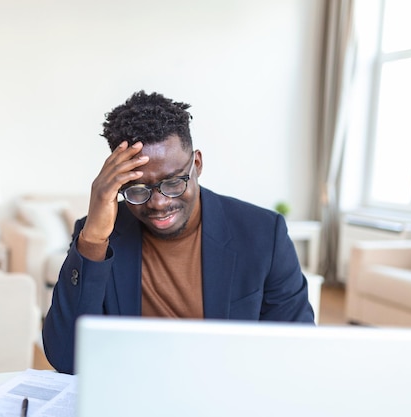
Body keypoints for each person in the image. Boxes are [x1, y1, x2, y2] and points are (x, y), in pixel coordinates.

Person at [43, 90, 314, 374]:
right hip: (135, 395)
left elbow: (295, 347)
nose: (158, 203)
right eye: (138, 189)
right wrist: (94, 239)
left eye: (173, 183)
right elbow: (66, 358)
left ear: (196, 164)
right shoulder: (100, 237)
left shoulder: (262, 233)